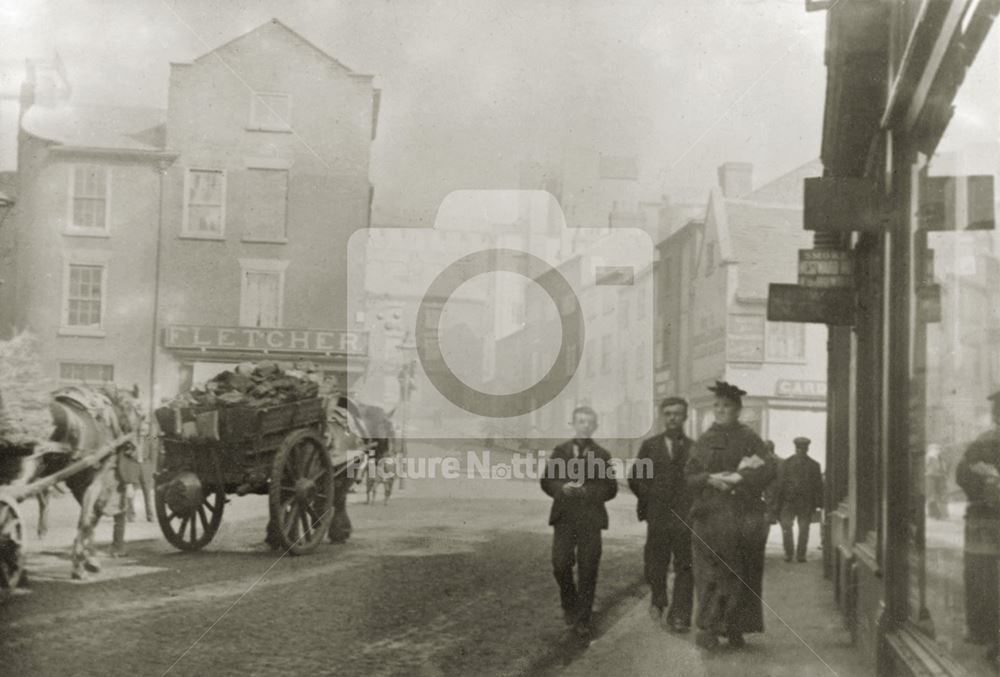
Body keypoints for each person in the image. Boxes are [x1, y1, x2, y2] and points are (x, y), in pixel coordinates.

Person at [685, 381, 776, 650]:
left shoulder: (749, 438)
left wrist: (740, 477)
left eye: (727, 406)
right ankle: (711, 627)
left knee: (740, 573)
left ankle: (735, 627)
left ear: (738, 410)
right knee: (710, 574)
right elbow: (689, 476)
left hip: (740, 517)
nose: (720, 410)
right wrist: (710, 479)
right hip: (709, 517)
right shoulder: (704, 439)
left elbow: (769, 469)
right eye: (717, 406)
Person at [540, 406, 618, 639]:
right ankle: (569, 602)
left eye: (588, 422)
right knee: (560, 564)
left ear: (594, 426)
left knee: (588, 568)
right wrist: (560, 488)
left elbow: (610, 488)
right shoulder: (560, 451)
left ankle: (583, 618)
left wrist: (587, 492)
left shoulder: (602, 455)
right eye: (580, 421)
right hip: (564, 517)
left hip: (590, 519)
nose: (584, 426)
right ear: (573, 425)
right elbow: (547, 480)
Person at [628, 397, 693, 633]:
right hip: (658, 516)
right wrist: (650, 496)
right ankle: (658, 599)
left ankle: (680, 614)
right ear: (662, 416)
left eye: (677, 413)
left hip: (685, 519)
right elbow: (635, 478)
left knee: (685, 566)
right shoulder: (650, 446)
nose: (672, 418)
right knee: (655, 564)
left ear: (685, 417)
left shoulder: (694, 448)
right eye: (668, 413)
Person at [955, 391, 1000, 662]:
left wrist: (983, 489)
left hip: (983, 522)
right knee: (984, 578)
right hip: (985, 522)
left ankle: (986, 632)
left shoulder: (982, 443)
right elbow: (964, 475)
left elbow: (962, 474)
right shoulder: (983, 443)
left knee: (983, 578)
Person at [774, 437, 823, 563]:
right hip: (788, 501)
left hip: (805, 503)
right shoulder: (786, 463)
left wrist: (818, 504)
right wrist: (778, 504)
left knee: (804, 528)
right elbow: (780, 484)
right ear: (796, 449)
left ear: (807, 449)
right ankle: (789, 553)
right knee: (786, 526)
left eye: (804, 449)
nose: (801, 451)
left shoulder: (814, 465)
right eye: (799, 449)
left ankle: (801, 554)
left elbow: (818, 486)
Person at [925, 444, 949, 520]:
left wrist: (944, 474)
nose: (937, 450)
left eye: (938, 449)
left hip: (939, 477)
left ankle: (942, 514)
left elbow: (944, 467)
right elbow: (924, 467)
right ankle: (935, 514)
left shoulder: (940, 458)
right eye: (936, 449)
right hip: (931, 476)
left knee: (939, 495)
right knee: (932, 495)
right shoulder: (929, 457)